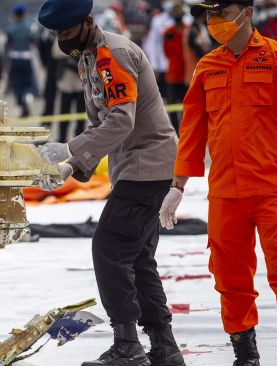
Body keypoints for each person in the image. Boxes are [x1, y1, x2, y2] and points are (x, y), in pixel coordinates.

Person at [37, 1, 185, 365]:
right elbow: (103, 125)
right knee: (137, 259)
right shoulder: (89, 57)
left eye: (68, 32)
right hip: (137, 166)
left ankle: (127, 345)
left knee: (109, 248)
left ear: (87, 22)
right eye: (57, 34)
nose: (62, 40)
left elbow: (121, 122)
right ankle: (164, 348)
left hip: (146, 165)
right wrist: (74, 165)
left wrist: (70, 150)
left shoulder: (112, 55)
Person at [160, 1, 277, 364]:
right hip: (225, 194)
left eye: (220, 14)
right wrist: (177, 187)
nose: (212, 23)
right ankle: (246, 355)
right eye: (208, 16)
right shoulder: (208, 67)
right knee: (229, 280)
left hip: (272, 189)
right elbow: (192, 131)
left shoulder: (273, 58)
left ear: (246, 12)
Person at [6, 3, 38, 117]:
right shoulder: (30, 27)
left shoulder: (11, 28)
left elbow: (7, 46)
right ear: (24, 14)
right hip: (26, 58)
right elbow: (35, 42)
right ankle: (27, 97)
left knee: (17, 83)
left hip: (14, 58)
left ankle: (21, 102)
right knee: (28, 81)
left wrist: (5, 62)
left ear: (15, 15)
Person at [163, 4, 188, 134]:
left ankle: (185, 131)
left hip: (186, 75)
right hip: (173, 75)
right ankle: (176, 132)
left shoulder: (188, 31)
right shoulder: (168, 33)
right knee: (172, 105)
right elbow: (166, 52)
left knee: (186, 106)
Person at [55, 47, 86, 142]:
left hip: (81, 83)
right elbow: (56, 52)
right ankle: (62, 139)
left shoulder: (82, 38)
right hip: (66, 83)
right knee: (64, 113)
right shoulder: (63, 35)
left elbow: (87, 54)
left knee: (81, 114)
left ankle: (79, 140)